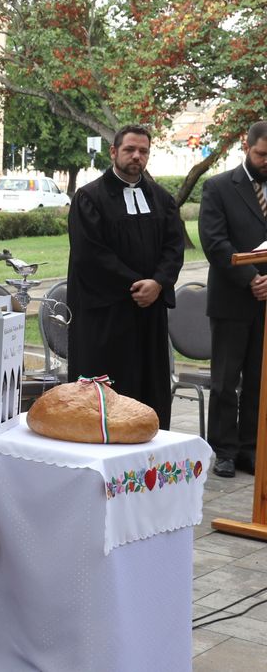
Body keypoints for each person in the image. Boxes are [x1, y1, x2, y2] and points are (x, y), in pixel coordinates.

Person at [66, 124, 185, 429]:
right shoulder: (89, 198)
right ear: (114, 152)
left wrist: (158, 283)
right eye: (130, 149)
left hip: (149, 313)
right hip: (107, 316)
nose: (137, 156)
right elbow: (90, 254)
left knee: (149, 389)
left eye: (143, 151)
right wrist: (135, 285)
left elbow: (174, 247)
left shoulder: (161, 198)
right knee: (106, 397)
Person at [199, 121, 267, 478]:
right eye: (262, 154)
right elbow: (214, 241)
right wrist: (251, 278)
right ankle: (223, 450)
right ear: (247, 146)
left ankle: (249, 448)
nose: (266, 161)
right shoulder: (219, 187)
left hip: (266, 302)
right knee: (226, 380)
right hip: (232, 299)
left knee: (259, 379)